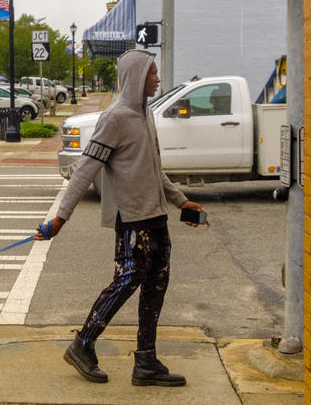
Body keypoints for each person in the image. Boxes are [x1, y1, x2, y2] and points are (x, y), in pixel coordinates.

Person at [36, 50, 206, 387]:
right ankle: (82, 344)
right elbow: (86, 169)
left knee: (156, 287)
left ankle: (146, 361)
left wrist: (181, 201)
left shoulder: (146, 115)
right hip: (131, 221)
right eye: (152, 73)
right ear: (137, 77)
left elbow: (154, 171)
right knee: (126, 282)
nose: (157, 78)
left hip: (156, 218)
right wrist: (60, 218)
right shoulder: (114, 119)